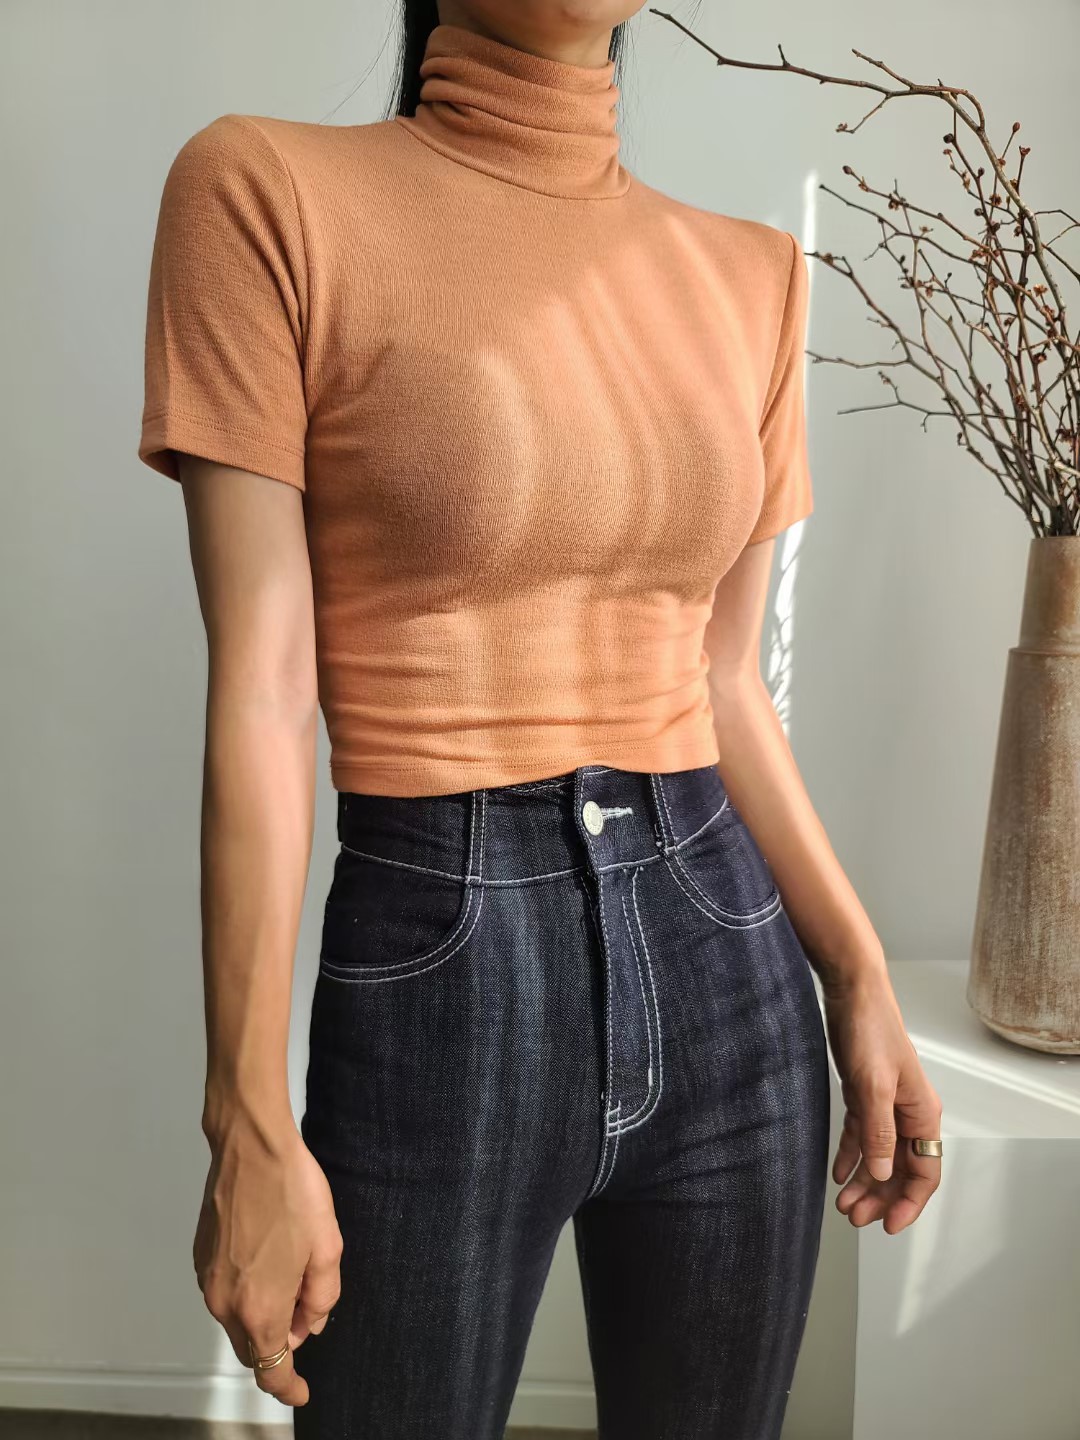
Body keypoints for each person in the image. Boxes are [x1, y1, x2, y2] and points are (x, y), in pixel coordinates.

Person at [137, 4, 943, 1437]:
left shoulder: (755, 274)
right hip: (443, 963)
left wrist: (859, 973)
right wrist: (244, 1118)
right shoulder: (264, 191)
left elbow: (725, 680)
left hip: (729, 959)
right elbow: (263, 683)